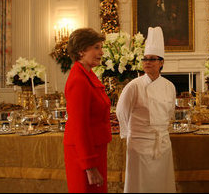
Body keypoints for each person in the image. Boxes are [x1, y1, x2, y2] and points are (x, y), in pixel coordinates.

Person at [116, 26, 177, 193]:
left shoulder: (169, 86)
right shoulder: (133, 86)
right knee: (140, 186)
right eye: (145, 59)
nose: (147, 62)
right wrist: (128, 135)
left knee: (161, 185)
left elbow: (170, 112)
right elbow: (121, 111)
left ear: (161, 62)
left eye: (152, 59)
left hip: (162, 144)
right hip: (139, 145)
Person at [63, 27, 112, 193]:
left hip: (94, 149)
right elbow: (79, 126)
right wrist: (89, 166)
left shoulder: (88, 75)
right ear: (82, 50)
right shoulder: (79, 80)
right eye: (96, 47)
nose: (101, 52)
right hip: (83, 154)